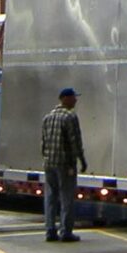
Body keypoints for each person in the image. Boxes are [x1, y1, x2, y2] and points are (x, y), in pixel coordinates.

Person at [41, 87, 87, 242]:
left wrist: (46, 157)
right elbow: (75, 141)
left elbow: (43, 142)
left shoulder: (47, 117)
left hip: (49, 163)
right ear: (65, 98)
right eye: (74, 97)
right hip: (65, 164)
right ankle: (66, 231)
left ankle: (50, 231)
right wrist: (81, 160)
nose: (76, 100)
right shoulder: (70, 117)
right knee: (66, 197)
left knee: (50, 197)